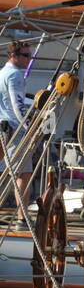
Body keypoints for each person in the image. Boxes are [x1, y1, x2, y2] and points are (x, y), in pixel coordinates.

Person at [0, 40, 33, 205]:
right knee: (23, 175)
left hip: (3, 128)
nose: (29, 59)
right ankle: (22, 219)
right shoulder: (15, 75)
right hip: (14, 130)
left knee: (10, 173)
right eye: (26, 56)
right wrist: (30, 127)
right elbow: (18, 105)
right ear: (13, 56)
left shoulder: (1, 73)